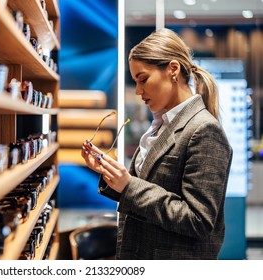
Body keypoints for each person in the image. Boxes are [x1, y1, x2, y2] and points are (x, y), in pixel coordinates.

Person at [81, 28, 233, 260]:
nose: (139, 91)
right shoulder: (162, 125)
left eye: (143, 79)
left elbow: (198, 220)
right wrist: (110, 175)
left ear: (173, 69)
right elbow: (144, 192)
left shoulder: (204, 130)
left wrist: (129, 186)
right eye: (135, 82)